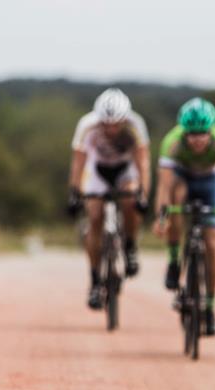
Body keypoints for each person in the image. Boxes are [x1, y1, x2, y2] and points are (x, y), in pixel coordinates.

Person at [153, 97, 215, 336]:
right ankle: (174, 259)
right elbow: (163, 186)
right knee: (175, 199)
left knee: (212, 243)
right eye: (191, 134)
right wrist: (161, 217)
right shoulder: (172, 143)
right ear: (183, 132)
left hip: (209, 182)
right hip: (182, 178)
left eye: (202, 134)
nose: (197, 139)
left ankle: (210, 307)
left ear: (211, 130)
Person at [68, 88, 151, 310]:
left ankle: (130, 246)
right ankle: (95, 281)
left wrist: (144, 194)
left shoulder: (136, 124)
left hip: (125, 170)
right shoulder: (87, 125)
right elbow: (79, 162)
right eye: (106, 124)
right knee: (94, 215)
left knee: (130, 200)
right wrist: (75, 192)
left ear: (125, 119)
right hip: (98, 170)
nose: (111, 129)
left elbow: (143, 162)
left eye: (116, 124)